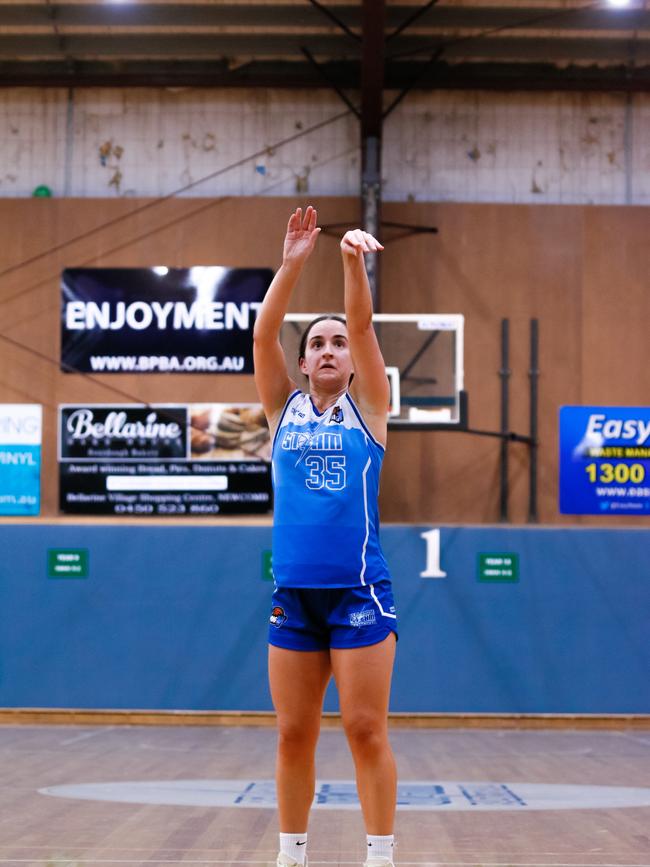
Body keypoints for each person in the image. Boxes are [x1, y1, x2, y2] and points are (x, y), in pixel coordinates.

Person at [253, 206, 398, 867]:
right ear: (305, 362)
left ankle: (380, 854)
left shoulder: (369, 409)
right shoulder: (282, 409)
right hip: (295, 596)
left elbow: (363, 323)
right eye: (318, 344)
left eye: (337, 342)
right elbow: (262, 338)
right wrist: (290, 264)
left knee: (365, 728)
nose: (331, 348)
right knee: (292, 733)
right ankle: (291, 854)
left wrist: (348, 261)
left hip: (359, 592)